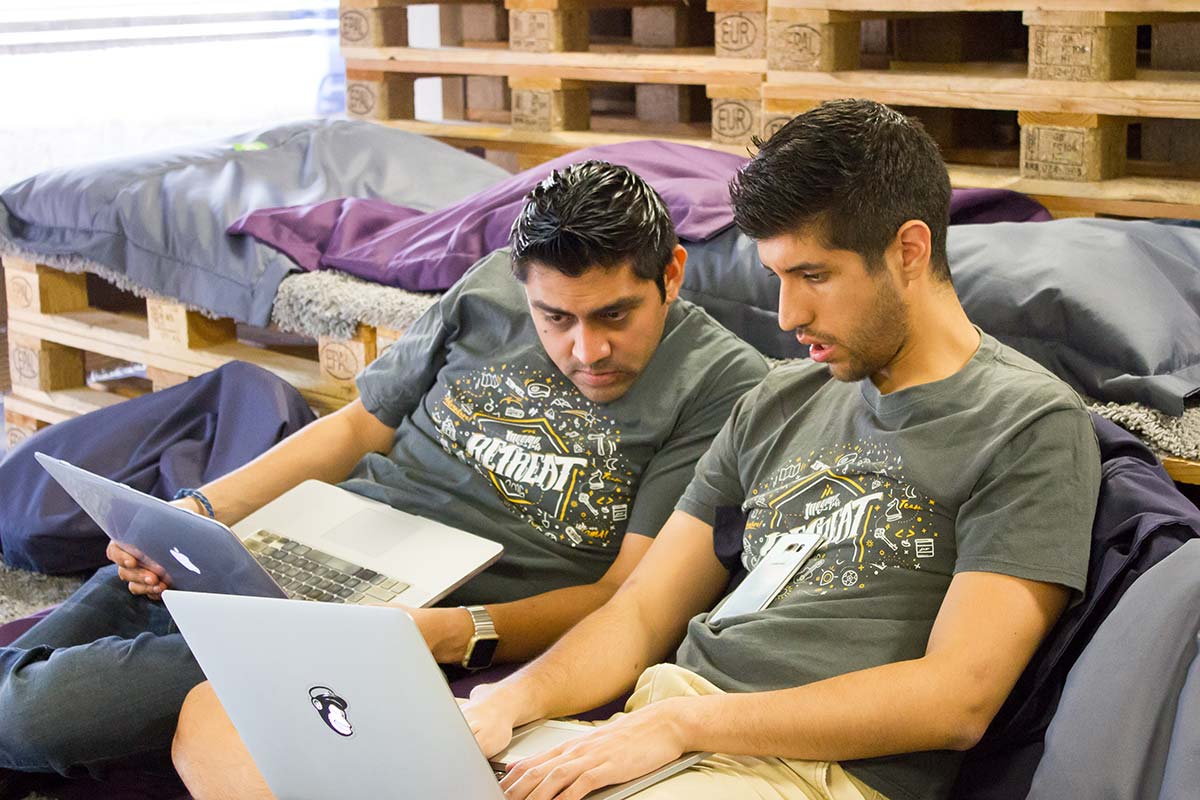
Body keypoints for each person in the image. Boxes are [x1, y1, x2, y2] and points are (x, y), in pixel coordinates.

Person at [0, 161, 768, 786]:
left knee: (29, 715)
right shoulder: (490, 289)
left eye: (614, 316)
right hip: (319, 538)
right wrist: (199, 511)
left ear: (672, 273)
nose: (586, 351)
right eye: (555, 318)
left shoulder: (719, 384)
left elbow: (624, 595)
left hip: (416, 616)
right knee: (113, 601)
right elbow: (356, 427)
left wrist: (447, 635)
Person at [451, 99, 1102, 800]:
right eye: (778, 278)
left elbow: (957, 699)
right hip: (660, 731)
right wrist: (507, 703)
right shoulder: (778, 399)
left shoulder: (1028, 424)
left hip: (804, 771)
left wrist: (683, 725)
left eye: (814, 276)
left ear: (909, 251)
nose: (789, 315)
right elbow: (638, 614)